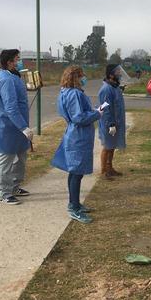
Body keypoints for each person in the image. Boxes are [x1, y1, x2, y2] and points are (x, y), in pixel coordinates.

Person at [52, 66, 102, 223]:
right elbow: (78, 117)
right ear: (76, 77)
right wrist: (97, 113)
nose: (84, 78)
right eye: (82, 76)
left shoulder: (65, 92)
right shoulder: (74, 93)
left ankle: (75, 203)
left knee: (75, 171)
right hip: (77, 136)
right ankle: (73, 208)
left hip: (75, 135)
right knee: (76, 172)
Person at [0, 49, 33, 205]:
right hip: (9, 125)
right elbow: (10, 107)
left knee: (21, 156)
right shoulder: (5, 79)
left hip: (17, 125)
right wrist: (23, 127)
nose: (20, 61)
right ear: (10, 62)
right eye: (17, 59)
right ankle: (4, 192)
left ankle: (14, 186)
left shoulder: (10, 76)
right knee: (6, 158)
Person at [98, 64, 126, 179]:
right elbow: (105, 108)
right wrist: (111, 123)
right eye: (117, 72)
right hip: (108, 123)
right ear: (111, 75)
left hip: (116, 121)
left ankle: (110, 168)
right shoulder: (106, 89)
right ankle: (104, 170)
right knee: (107, 146)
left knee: (112, 146)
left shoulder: (114, 87)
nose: (119, 74)